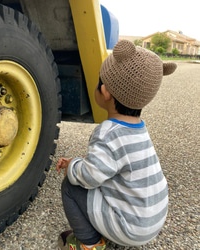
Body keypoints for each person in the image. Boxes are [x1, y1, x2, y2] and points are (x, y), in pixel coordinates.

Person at [56, 40, 177, 250]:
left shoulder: (108, 132)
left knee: (69, 186)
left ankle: (90, 243)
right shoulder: (139, 129)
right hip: (151, 223)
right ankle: (110, 229)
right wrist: (85, 162)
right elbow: (113, 164)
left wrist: (73, 165)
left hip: (130, 229)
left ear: (105, 91)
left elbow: (89, 177)